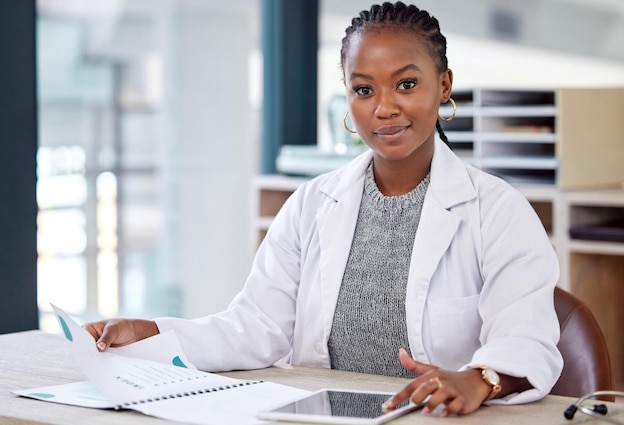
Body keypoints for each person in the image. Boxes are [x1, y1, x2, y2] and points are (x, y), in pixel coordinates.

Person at [84, 1, 563, 416]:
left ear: (443, 86)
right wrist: (149, 333)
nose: (384, 107)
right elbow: (257, 326)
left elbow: (526, 338)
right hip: (322, 416)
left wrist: (479, 379)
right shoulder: (312, 203)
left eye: (407, 84)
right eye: (363, 89)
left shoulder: (498, 211)